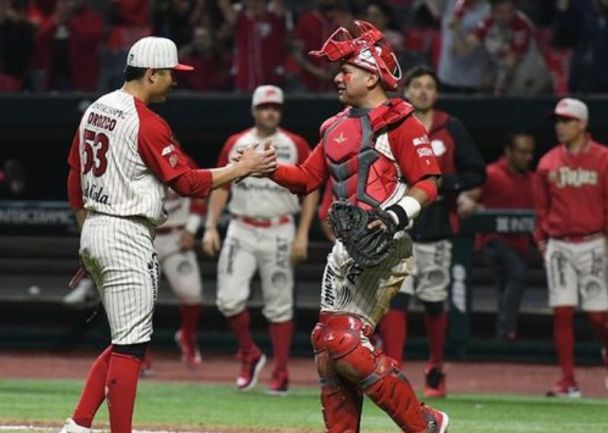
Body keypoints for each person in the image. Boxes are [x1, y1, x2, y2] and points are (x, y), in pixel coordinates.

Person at [60, 36, 276, 433]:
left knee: (123, 338)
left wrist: (86, 233)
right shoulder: (146, 121)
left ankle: (78, 424)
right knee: (131, 346)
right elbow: (188, 183)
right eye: (171, 74)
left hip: (96, 227)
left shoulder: (96, 107)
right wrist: (243, 168)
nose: (175, 81)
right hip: (126, 231)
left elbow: (75, 177)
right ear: (152, 74)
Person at [263, 21, 448, 433]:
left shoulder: (401, 122)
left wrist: (395, 216)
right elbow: (308, 180)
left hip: (386, 243)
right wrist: (269, 168)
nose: (338, 77)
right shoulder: (333, 126)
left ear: (371, 75)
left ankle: (424, 423)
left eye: (347, 69)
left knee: (344, 342)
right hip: (347, 248)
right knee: (326, 348)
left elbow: (428, 183)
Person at [202, 85, 320, 395]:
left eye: (276, 108)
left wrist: (303, 232)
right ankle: (250, 353)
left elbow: (311, 186)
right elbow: (220, 184)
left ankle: (280, 371)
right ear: (254, 110)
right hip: (241, 227)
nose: (271, 112)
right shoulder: (236, 143)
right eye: (265, 107)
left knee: (279, 304)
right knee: (228, 299)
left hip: (280, 228)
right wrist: (210, 226)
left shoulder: (294, 143)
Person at [378, 65, 486, 398]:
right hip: (400, 223)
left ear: (436, 93)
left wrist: (443, 184)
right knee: (395, 296)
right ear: (406, 90)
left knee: (434, 302)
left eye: (430, 86)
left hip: (438, 226)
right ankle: (392, 367)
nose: (424, 91)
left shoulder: (450, 127)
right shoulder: (391, 124)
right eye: (418, 85)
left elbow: (477, 172)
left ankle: (435, 366)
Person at [63, 191, 208, 371]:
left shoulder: (181, 161)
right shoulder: (132, 168)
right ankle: (138, 352)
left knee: (191, 292)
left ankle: (187, 336)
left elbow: (200, 192)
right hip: (142, 236)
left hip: (176, 237)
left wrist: (192, 229)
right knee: (139, 300)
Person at [533, 97, 608, 398]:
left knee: (598, 316)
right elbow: (540, 210)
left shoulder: (603, 158)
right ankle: (568, 380)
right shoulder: (547, 163)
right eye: (558, 122)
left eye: (566, 121)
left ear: (582, 123)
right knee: (562, 311)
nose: (560, 127)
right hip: (559, 245)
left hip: (594, 243)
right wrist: (542, 243)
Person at [459, 132, 535, 341]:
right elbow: (466, 197)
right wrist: (471, 204)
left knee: (510, 279)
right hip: (493, 243)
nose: (527, 157)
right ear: (508, 152)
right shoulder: (492, 173)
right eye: (522, 152)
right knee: (516, 272)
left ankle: (503, 334)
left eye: (530, 153)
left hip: (520, 245)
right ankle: (506, 329)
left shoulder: (532, 180)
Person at [452, 0, 552, 95]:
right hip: (509, 84)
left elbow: (511, 65)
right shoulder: (488, 23)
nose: (505, 16)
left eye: (509, 11)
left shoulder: (521, 25)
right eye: (500, 12)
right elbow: (463, 49)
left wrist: (497, 91)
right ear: (492, 12)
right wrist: (456, 29)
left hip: (534, 82)